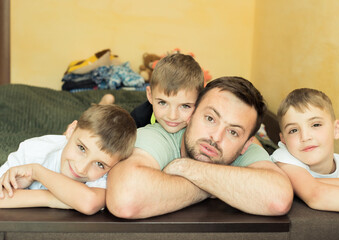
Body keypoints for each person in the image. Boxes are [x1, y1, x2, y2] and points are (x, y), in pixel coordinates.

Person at [106, 76, 293, 219]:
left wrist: (185, 168)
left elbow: (278, 199)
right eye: (210, 119)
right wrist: (218, 185)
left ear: (246, 145)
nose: (216, 138)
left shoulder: (246, 149)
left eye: (233, 132)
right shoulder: (159, 135)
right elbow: (125, 199)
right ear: (190, 115)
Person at [0, 104, 137, 215]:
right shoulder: (34, 150)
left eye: (99, 164)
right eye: (82, 148)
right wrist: (55, 198)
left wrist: (36, 172)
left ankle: (105, 101)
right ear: (71, 129)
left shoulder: (108, 173)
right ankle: (104, 101)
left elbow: (89, 203)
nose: (81, 168)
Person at [100, 53, 205, 133]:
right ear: (150, 95)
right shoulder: (139, 117)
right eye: (163, 103)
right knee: (109, 127)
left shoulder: (201, 125)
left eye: (185, 106)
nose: (172, 116)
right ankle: (104, 105)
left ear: (199, 100)